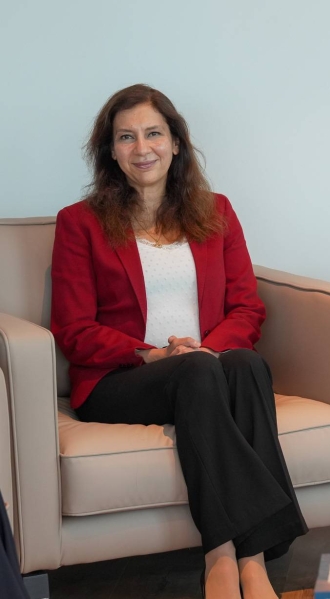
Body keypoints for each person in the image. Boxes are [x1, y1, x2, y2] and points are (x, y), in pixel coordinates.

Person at [50, 84, 307, 599]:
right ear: (110, 151)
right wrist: (152, 354)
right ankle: (224, 555)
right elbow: (73, 328)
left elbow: (246, 308)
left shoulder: (217, 211)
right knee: (199, 369)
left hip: (204, 367)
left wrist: (206, 349)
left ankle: (250, 561)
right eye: (126, 137)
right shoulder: (79, 223)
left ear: (175, 143)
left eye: (153, 133)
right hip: (121, 380)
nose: (141, 148)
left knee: (245, 365)